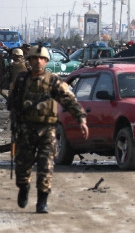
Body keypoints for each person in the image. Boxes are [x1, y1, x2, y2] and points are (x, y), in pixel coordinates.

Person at [7, 45, 89, 214]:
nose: (38, 61)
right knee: (22, 166)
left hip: (47, 131)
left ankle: (42, 201)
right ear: (29, 61)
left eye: (41, 59)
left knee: (46, 166)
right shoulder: (21, 80)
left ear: (46, 61)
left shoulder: (53, 81)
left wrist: (81, 118)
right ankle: (23, 187)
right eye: (34, 59)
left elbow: (69, 100)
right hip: (25, 130)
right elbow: (11, 103)